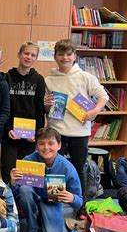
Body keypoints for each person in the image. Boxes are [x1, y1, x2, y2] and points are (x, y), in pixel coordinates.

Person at [44, 39, 108, 198]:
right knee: (55, 168)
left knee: (79, 169)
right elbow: (47, 108)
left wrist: (94, 111)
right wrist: (46, 104)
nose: (64, 58)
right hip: (56, 131)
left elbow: (103, 97)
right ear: (55, 56)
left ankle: (80, 204)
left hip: (80, 132)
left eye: (68, 54)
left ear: (74, 56)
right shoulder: (49, 79)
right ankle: (55, 200)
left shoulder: (86, 77)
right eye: (61, 54)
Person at [11, 127, 83, 232]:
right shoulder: (28, 160)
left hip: (51, 203)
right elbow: (14, 193)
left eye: (51, 143)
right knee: (24, 191)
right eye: (41, 144)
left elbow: (79, 201)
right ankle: (32, 231)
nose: (46, 147)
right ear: (36, 146)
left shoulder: (67, 168)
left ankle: (42, 221)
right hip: (30, 198)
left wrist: (72, 198)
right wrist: (12, 182)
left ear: (59, 145)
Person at [1, 41, 46, 184]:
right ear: (19, 55)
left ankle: (23, 202)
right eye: (26, 53)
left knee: (26, 173)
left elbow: (40, 109)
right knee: (9, 169)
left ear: (36, 58)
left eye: (33, 55)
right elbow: (3, 106)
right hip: (10, 133)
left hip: (30, 136)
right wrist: (8, 129)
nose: (29, 57)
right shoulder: (7, 77)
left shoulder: (39, 80)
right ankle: (9, 201)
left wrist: (37, 133)